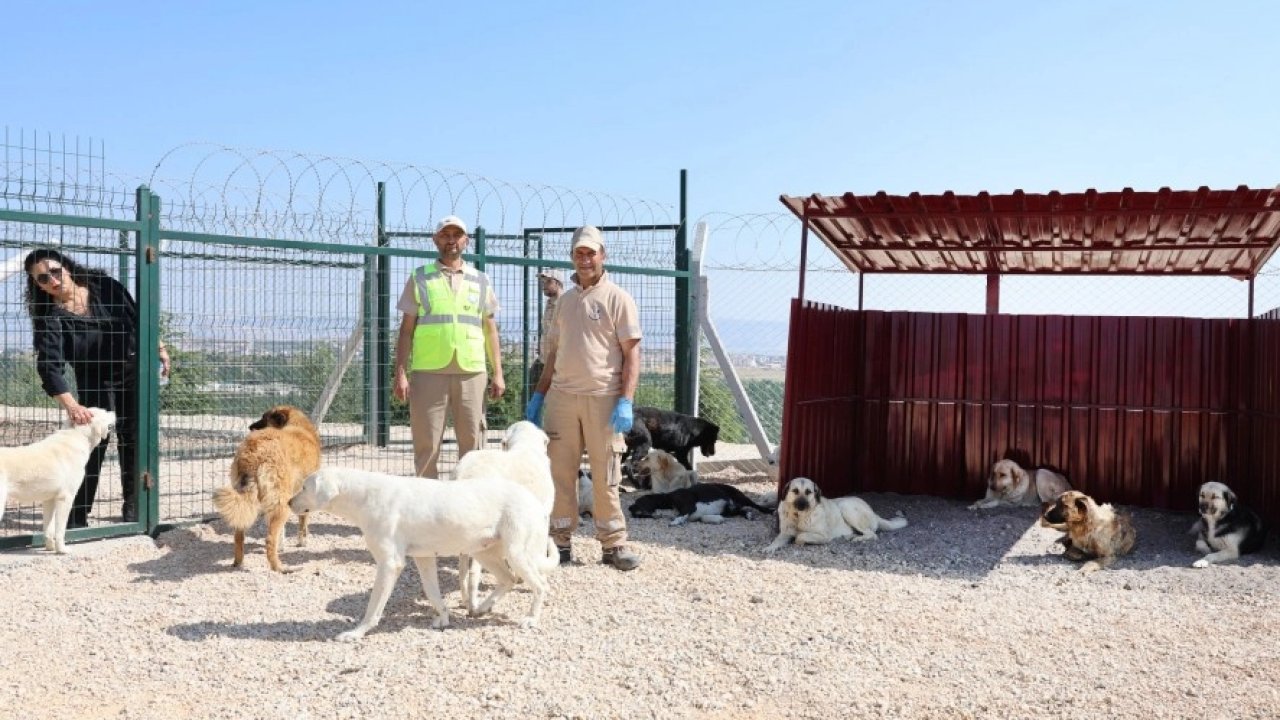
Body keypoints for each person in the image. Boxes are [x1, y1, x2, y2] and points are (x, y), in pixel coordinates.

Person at [23, 248, 171, 527]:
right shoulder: (50, 317)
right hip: (93, 378)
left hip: (132, 369)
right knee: (90, 442)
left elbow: (139, 318)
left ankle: (135, 509)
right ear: (37, 285)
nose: (52, 280)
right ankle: (76, 516)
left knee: (133, 437)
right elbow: (49, 367)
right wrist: (72, 405)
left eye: (55, 271)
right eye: (43, 278)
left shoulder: (105, 287)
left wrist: (160, 348)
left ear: (67, 267)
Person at [525, 225, 642, 571]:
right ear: (572, 257)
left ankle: (613, 543)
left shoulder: (618, 299)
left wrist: (626, 400)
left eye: (591, 253)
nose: (585, 259)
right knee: (560, 473)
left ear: (602, 255)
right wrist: (538, 396)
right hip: (562, 398)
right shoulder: (564, 302)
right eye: (579, 253)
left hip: (603, 398)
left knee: (607, 474)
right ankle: (559, 542)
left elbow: (632, 354)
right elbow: (553, 354)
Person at [393, 215, 505, 479]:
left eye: (457, 235)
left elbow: (490, 329)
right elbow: (406, 330)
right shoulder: (420, 278)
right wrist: (400, 373)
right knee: (427, 445)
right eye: (445, 235)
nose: (451, 240)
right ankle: (427, 502)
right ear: (435, 240)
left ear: (466, 241)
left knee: (473, 449)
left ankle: (469, 501)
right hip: (429, 372)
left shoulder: (481, 280)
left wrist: (498, 372)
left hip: (472, 371)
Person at [527, 268, 564, 387]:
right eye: (543, 282)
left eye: (548, 282)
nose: (544, 286)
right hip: (544, 359)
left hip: (558, 363)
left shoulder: (565, 304)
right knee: (531, 389)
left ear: (558, 283)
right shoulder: (549, 303)